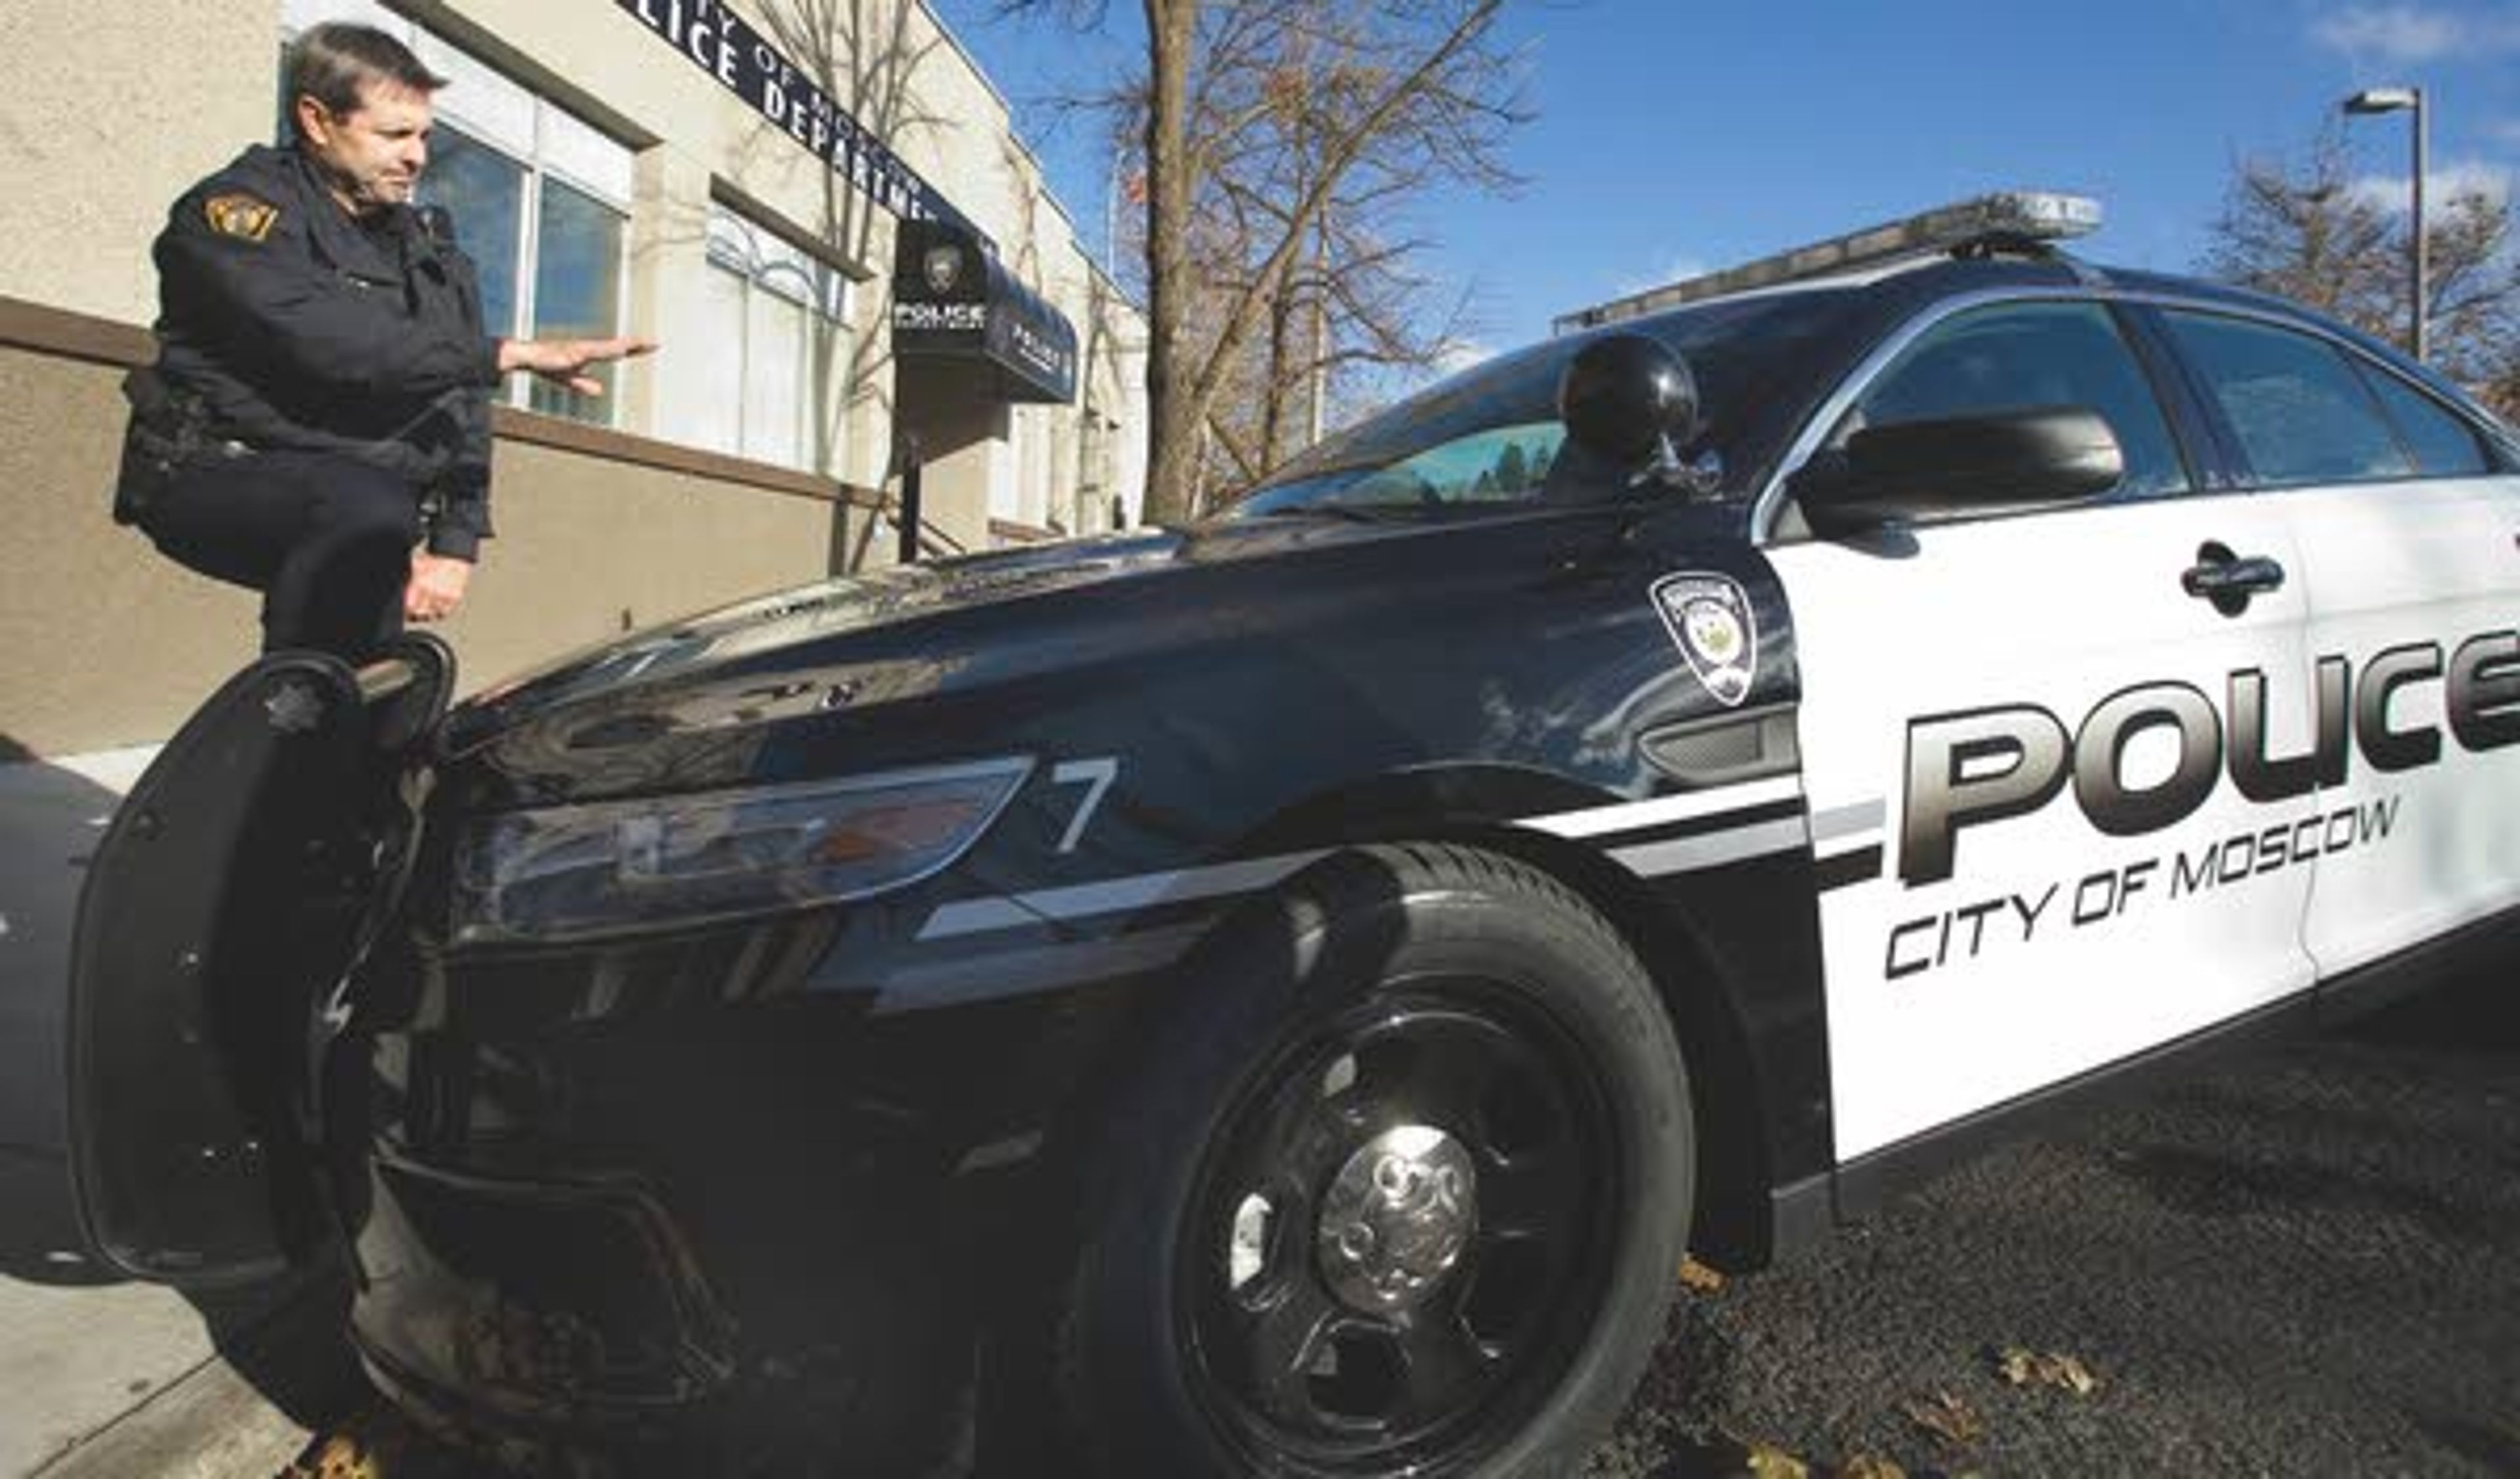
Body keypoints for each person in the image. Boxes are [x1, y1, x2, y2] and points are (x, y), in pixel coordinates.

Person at [114, 21, 654, 662]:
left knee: (381, 679)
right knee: (359, 523)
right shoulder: (236, 214)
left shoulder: (429, 251)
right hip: (215, 471)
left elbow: (460, 401)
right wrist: (502, 353)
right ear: (318, 121)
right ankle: (296, 717)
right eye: (395, 135)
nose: (418, 157)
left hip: (368, 507)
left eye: (425, 136)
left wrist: (455, 541)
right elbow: (327, 340)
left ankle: (343, 740)